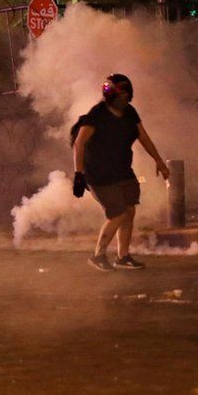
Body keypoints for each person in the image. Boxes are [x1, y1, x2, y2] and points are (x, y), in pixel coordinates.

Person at [72, 74, 170, 271]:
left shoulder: (129, 113)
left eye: (125, 96)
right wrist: (79, 174)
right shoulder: (97, 114)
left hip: (122, 171)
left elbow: (143, 136)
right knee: (117, 214)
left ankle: (123, 257)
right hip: (99, 174)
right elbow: (79, 143)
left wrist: (158, 159)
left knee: (129, 211)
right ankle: (98, 256)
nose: (123, 100)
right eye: (119, 97)